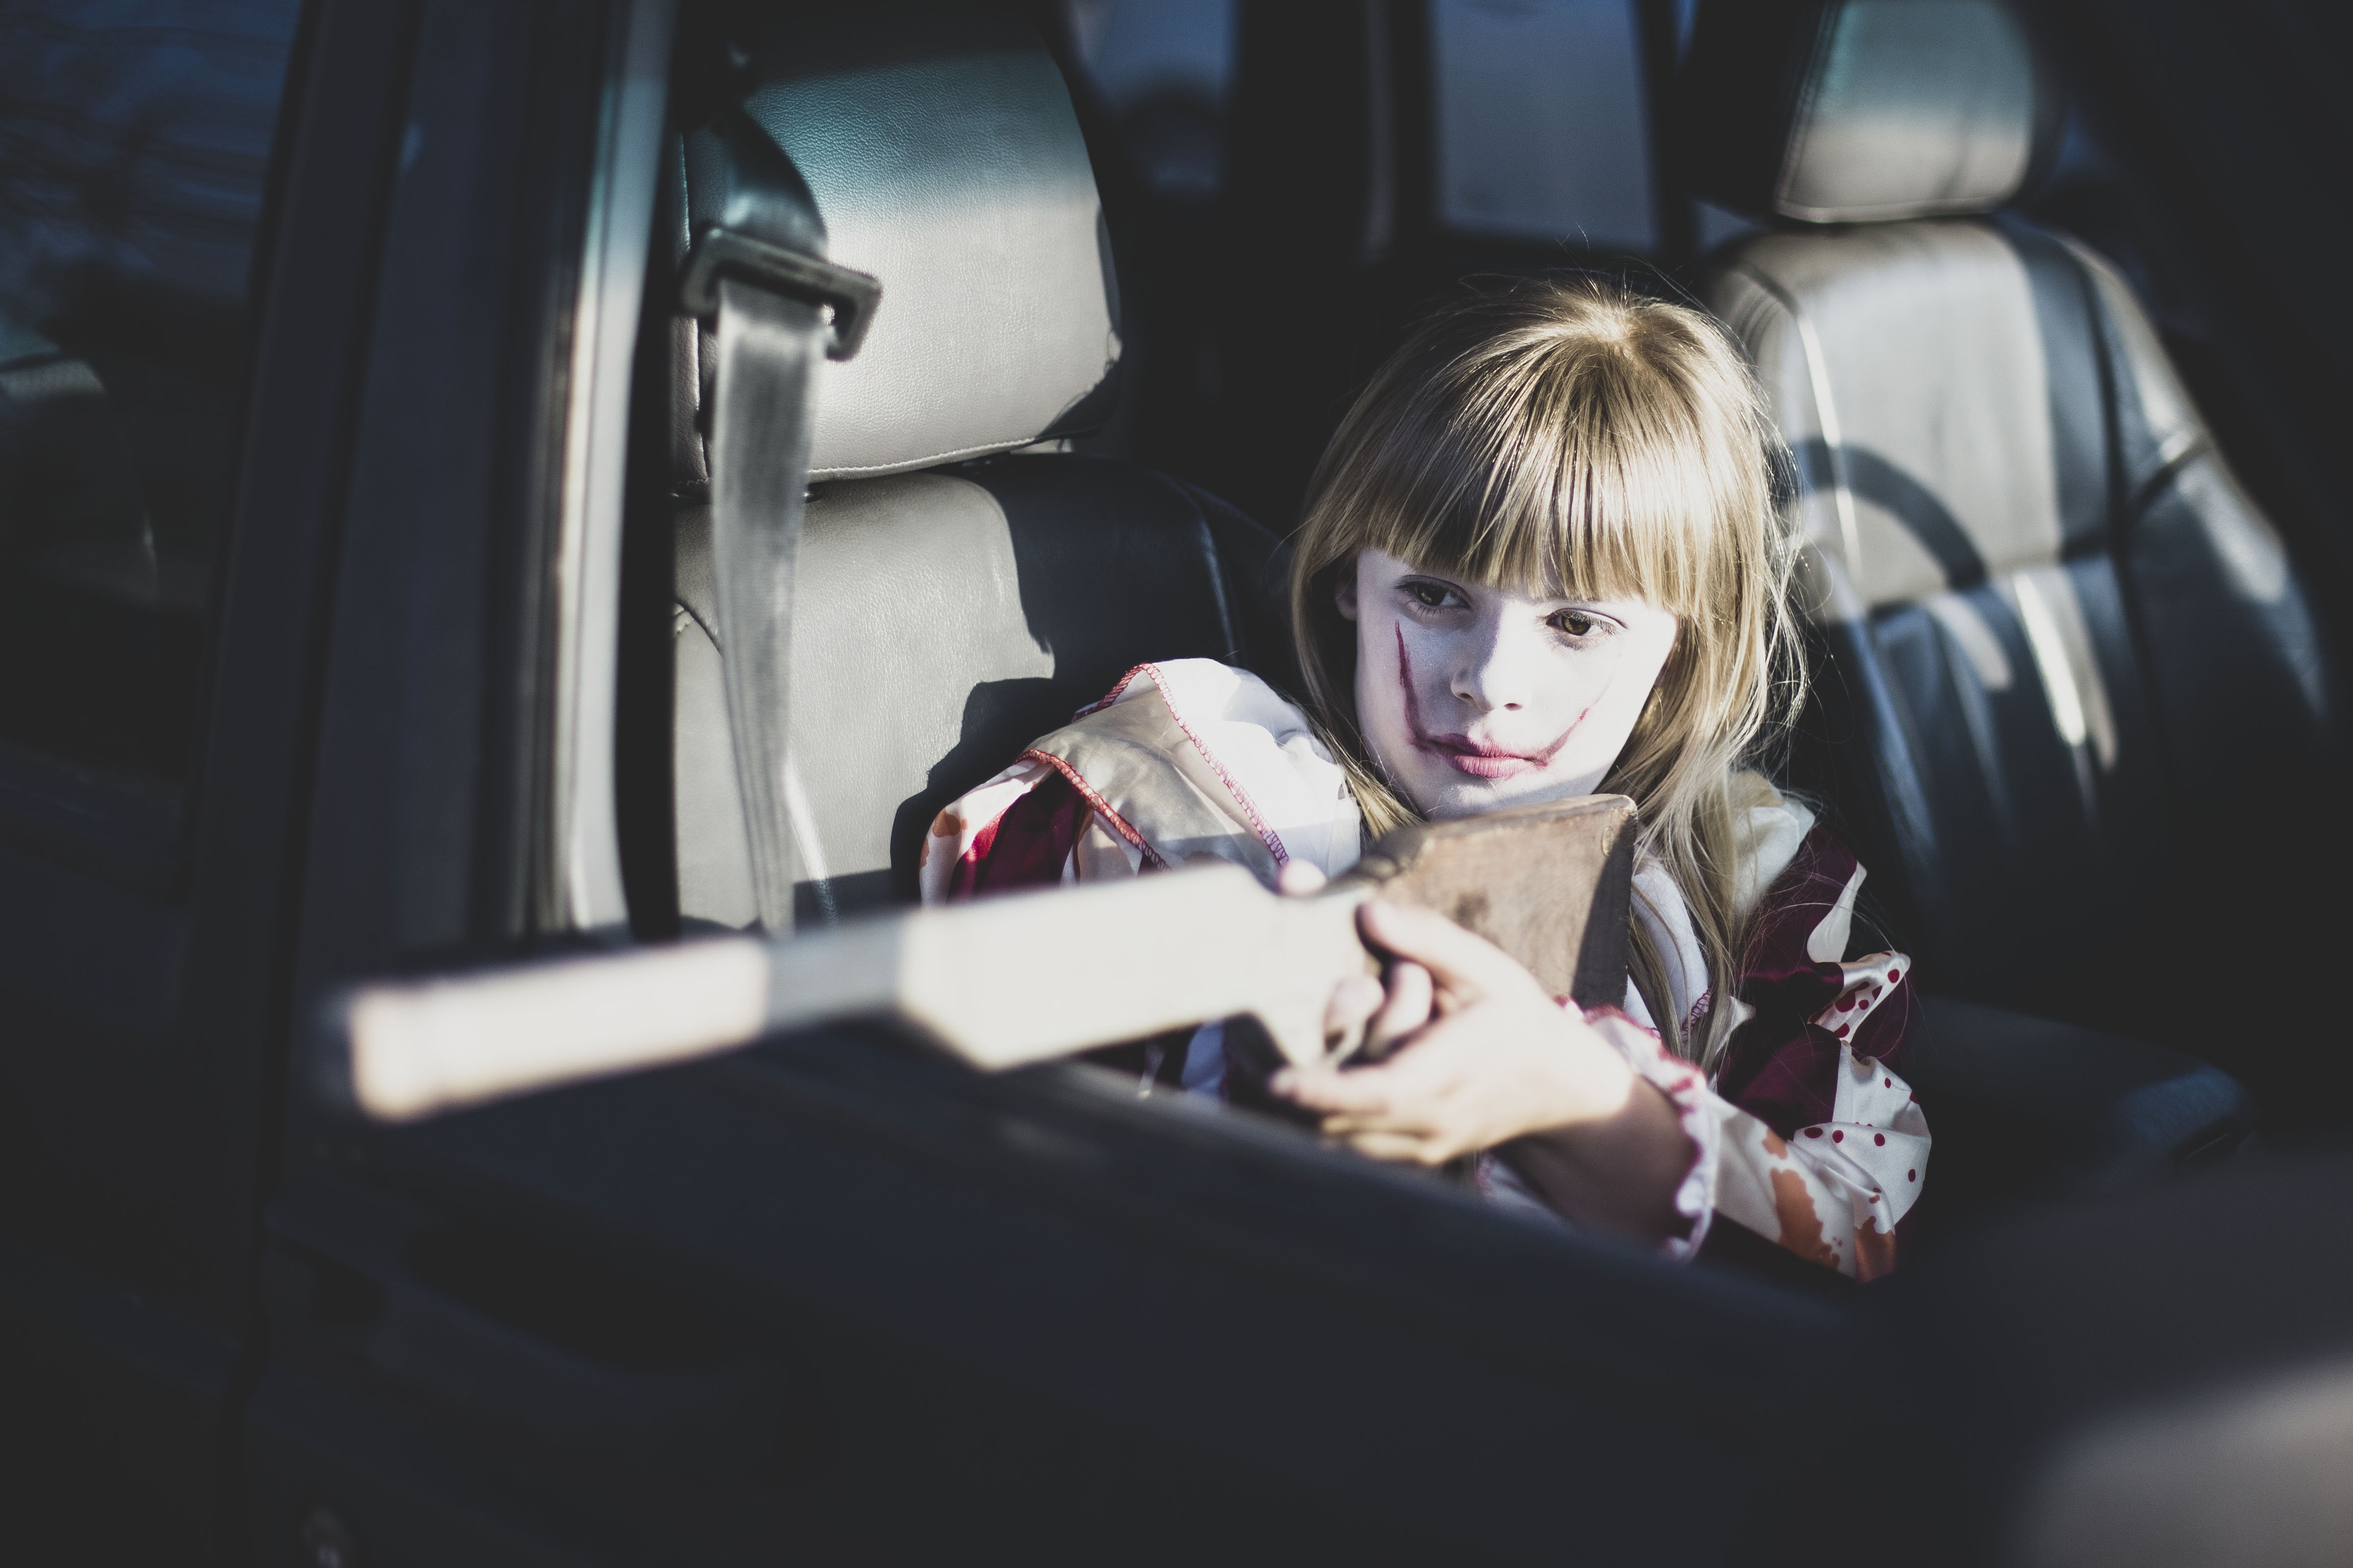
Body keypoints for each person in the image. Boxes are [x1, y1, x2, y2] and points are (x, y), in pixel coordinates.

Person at [919, 278, 1927, 1281]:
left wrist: (1582, 1103)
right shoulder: (1191, 812)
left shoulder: (1748, 892)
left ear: (1679, 648)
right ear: (1348, 584)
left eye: (1577, 623)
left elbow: (1856, 1237)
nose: (1490, 680)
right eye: (1435, 596)